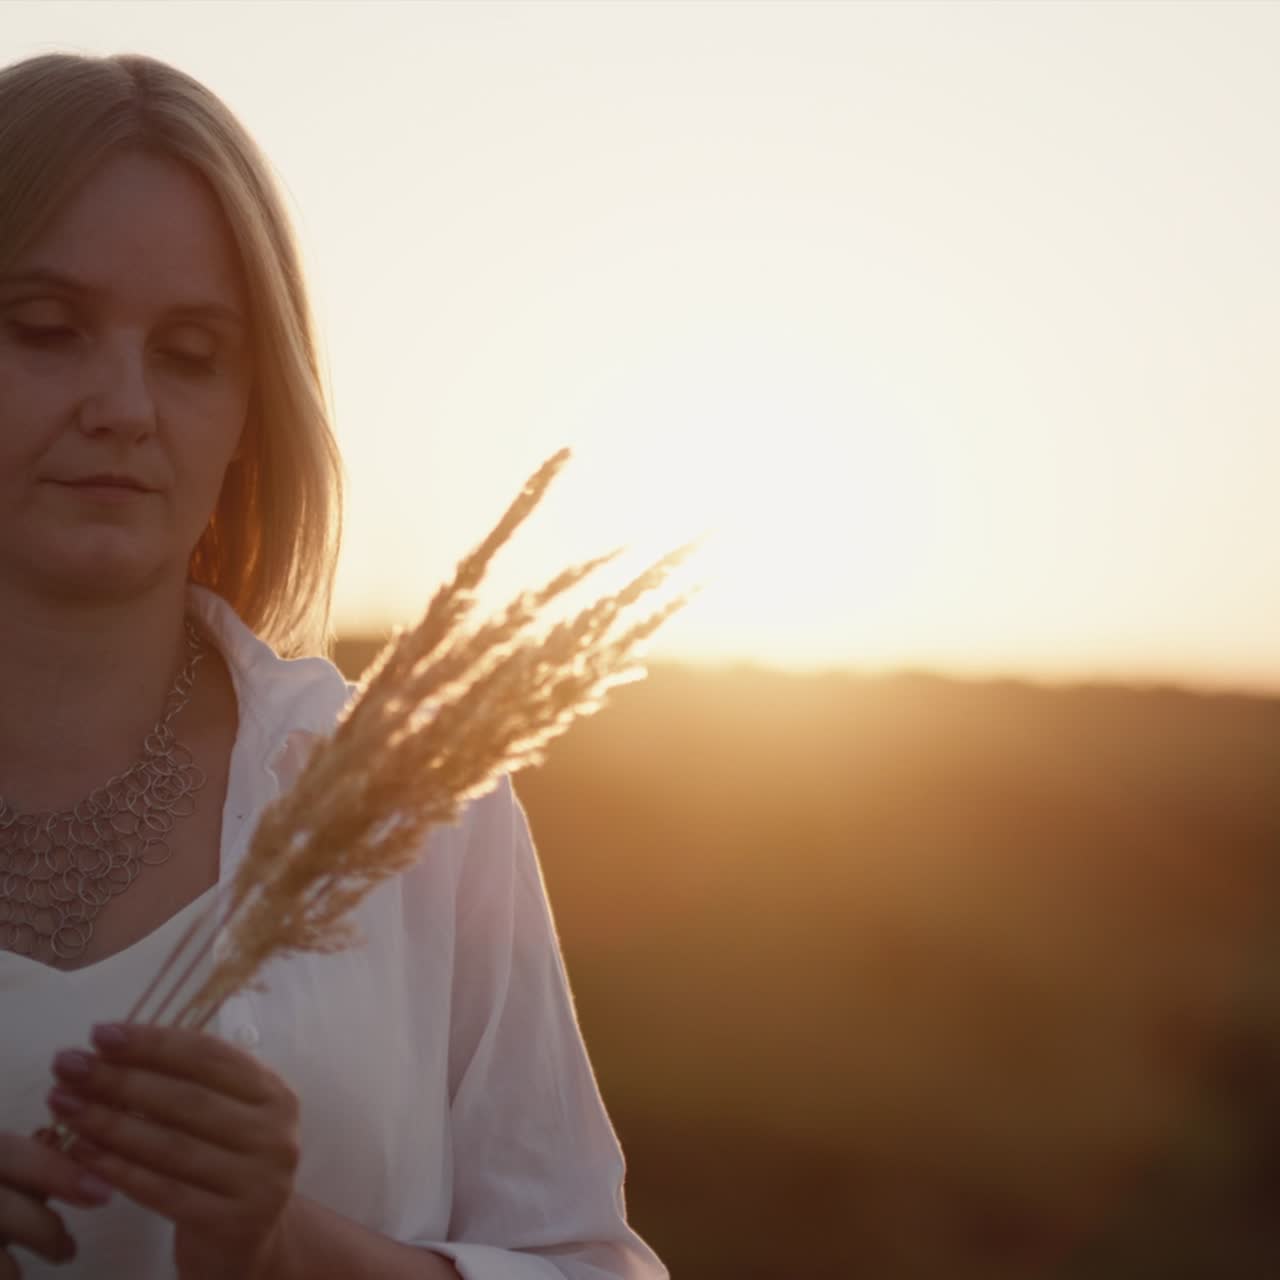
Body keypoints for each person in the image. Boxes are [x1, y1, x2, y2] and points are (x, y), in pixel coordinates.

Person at [0, 51, 666, 1280]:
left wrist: (286, 1242)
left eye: (190, 351)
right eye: (47, 330)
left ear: (251, 415)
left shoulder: (414, 812)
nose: (124, 404)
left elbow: (587, 1263)